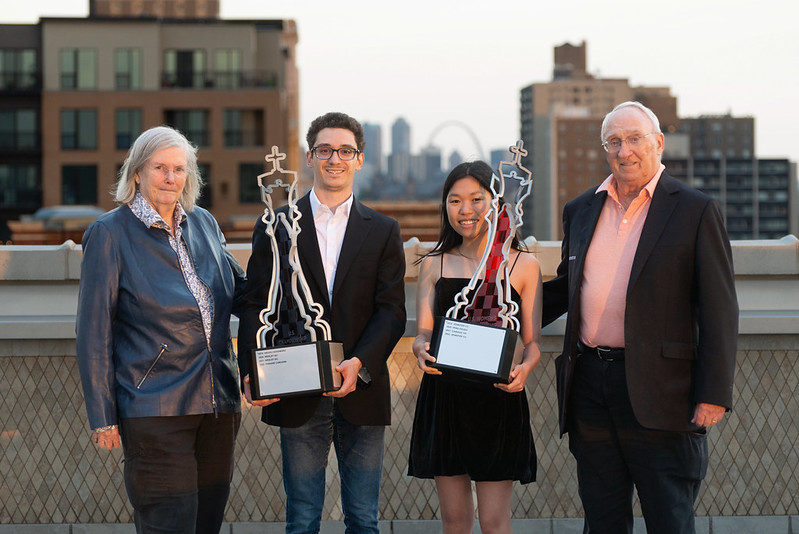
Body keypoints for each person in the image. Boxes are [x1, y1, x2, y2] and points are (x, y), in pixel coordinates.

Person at [542, 101, 738, 534]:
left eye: (634, 139)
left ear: (658, 143)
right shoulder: (581, 209)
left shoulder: (694, 210)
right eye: (613, 141)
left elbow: (720, 307)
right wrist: (498, 313)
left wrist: (714, 391)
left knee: (669, 518)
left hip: (664, 391)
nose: (624, 150)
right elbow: (565, 287)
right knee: (603, 518)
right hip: (590, 386)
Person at [238, 112, 406, 534]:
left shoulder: (384, 230)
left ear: (360, 160)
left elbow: (392, 312)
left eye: (345, 150)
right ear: (310, 157)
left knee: (364, 521)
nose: (336, 158)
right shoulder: (276, 224)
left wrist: (360, 363)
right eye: (326, 150)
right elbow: (256, 303)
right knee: (302, 521)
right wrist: (249, 372)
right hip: (297, 391)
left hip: (361, 388)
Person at [75, 125, 247, 534]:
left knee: (207, 523)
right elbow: (93, 331)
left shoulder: (203, 223)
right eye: (160, 168)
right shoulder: (109, 233)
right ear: (137, 173)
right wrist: (103, 416)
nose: (171, 178)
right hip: (155, 407)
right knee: (168, 525)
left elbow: (243, 292)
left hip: (218, 407)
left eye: (180, 169)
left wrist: (287, 258)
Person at [408, 161, 542, 534]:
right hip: (445, 398)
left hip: (499, 398)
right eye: (454, 201)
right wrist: (420, 350)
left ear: (495, 202)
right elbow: (422, 335)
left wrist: (524, 371)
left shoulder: (523, 265)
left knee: (495, 523)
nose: (465, 211)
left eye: (476, 199)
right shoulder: (433, 264)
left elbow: (532, 345)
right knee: (454, 522)